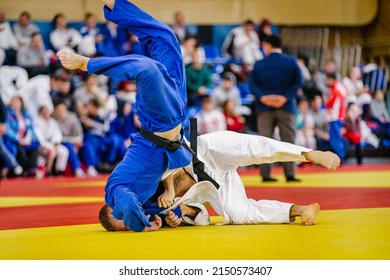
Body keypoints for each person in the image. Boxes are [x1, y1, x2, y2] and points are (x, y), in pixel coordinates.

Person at [60, 0, 195, 232]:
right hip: (177, 118)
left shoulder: (116, 192)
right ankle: (114, 6)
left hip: (158, 121)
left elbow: (128, 207)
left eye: (121, 221)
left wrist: (142, 227)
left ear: (111, 210)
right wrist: (174, 217)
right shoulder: (144, 206)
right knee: (166, 37)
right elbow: (176, 209)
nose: (129, 221)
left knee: (146, 69)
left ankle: (85, 63)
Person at [99, 130, 341, 231]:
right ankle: (301, 210)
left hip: (201, 152)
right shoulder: (150, 215)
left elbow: (163, 152)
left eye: (122, 213)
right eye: (128, 224)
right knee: (239, 214)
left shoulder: (126, 179)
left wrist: (169, 188)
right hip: (211, 184)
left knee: (251, 148)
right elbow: (202, 216)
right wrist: (183, 214)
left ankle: (308, 153)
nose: (130, 216)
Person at [249, 34, 303, 182]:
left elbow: (253, 85)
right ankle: (290, 174)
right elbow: (298, 82)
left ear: (267, 45)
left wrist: (264, 98)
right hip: (286, 106)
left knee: (265, 142)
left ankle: (265, 175)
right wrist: (285, 97)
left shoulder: (259, 64)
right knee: (289, 140)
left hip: (264, 108)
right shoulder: (291, 62)